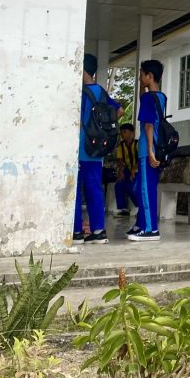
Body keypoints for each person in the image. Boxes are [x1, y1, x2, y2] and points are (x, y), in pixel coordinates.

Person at [75, 53, 120, 245]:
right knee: (94, 188)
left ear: (83, 70)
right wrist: (102, 130)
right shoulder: (101, 92)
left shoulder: (81, 93)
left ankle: (76, 231)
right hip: (96, 149)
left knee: (76, 191)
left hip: (81, 148)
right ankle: (98, 231)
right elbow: (119, 110)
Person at [128, 59, 166, 242]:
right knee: (144, 187)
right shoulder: (160, 97)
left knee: (145, 189)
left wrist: (149, 151)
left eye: (142, 74)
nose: (139, 77)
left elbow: (148, 126)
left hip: (147, 150)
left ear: (149, 76)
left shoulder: (148, 99)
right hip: (158, 148)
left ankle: (150, 229)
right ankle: (142, 224)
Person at [113, 123, 139, 217]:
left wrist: (134, 170)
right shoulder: (121, 146)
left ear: (132, 133)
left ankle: (140, 207)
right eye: (121, 132)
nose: (122, 134)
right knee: (119, 185)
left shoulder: (138, 144)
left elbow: (141, 159)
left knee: (131, 187)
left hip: (139, 170)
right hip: (128, 169)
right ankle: (123, 209)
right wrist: (120, 172)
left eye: (125, 132)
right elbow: (120, 160)